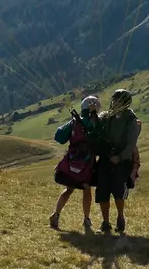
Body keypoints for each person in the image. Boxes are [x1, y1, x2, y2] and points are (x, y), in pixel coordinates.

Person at [50, 95, 101, 231]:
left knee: (69, 189)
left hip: (72, 161)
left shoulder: (75, 122)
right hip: (88, 164)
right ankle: (86, 219)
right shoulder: (96, 122)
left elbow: (59, 136)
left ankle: (56, 214)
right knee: (86, 189)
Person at [94, 88, 141, 235]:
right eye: (113, 100)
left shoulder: (131, 120)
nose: (114, 102)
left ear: (124, 103)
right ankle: (106, 222)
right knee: (102, 190)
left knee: (118, 191)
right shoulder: (107, 116)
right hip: (105, 158)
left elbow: (131, 144)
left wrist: (120, 157)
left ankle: (120, 217)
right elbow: (97, 121)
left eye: (117, 100)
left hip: (122, 161)